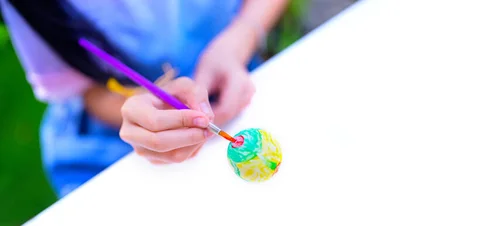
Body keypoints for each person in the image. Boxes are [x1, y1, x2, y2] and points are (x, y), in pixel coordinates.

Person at [0, 0, 289, 198]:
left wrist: (242, 35)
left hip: (238, 71)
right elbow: (88, 89)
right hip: (116, 136)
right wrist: (142, 112)